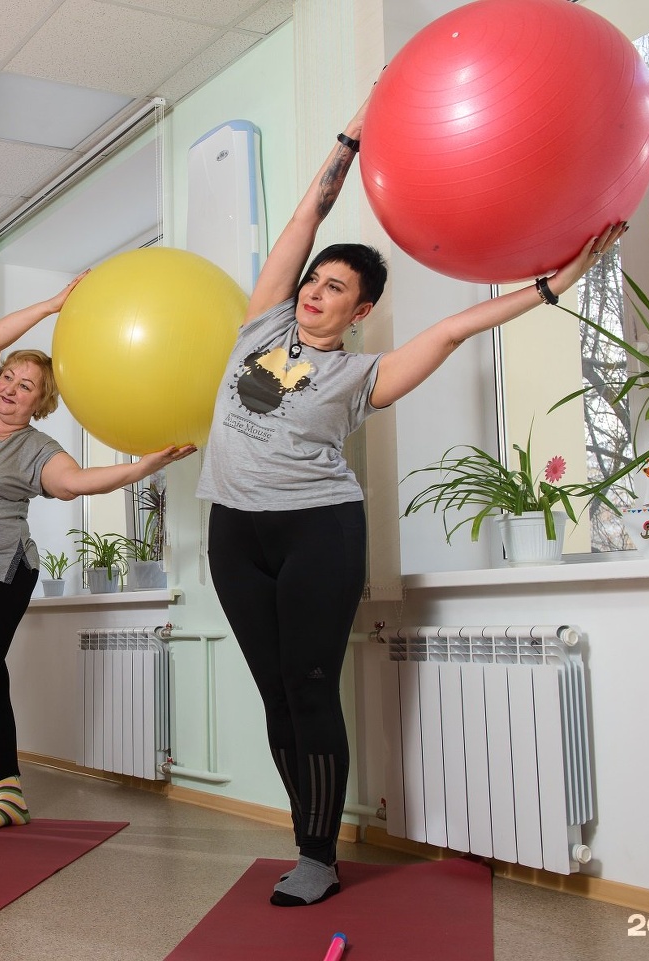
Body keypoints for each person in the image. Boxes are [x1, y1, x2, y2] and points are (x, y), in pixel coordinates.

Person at [196, 99, 626, 907]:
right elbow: (305, 214)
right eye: (315, 280)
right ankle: (306, 836)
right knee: (275, 692)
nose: (317, 292)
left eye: (336, 289)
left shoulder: (364, 375)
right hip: (232, 530)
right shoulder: (261, 325)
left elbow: (458, 329)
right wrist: (350, 139)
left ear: (361, 313)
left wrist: (551, 286)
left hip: (317, 530)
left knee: (312, 683)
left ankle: (318, 857)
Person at [0, 281, 195, 837]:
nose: (12, 390)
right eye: (9, 379)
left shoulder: (37, 448)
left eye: (27, 386)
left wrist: (140, 469)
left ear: (41, 402)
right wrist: (50, 306)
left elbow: (75, 484)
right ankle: (13, 792)